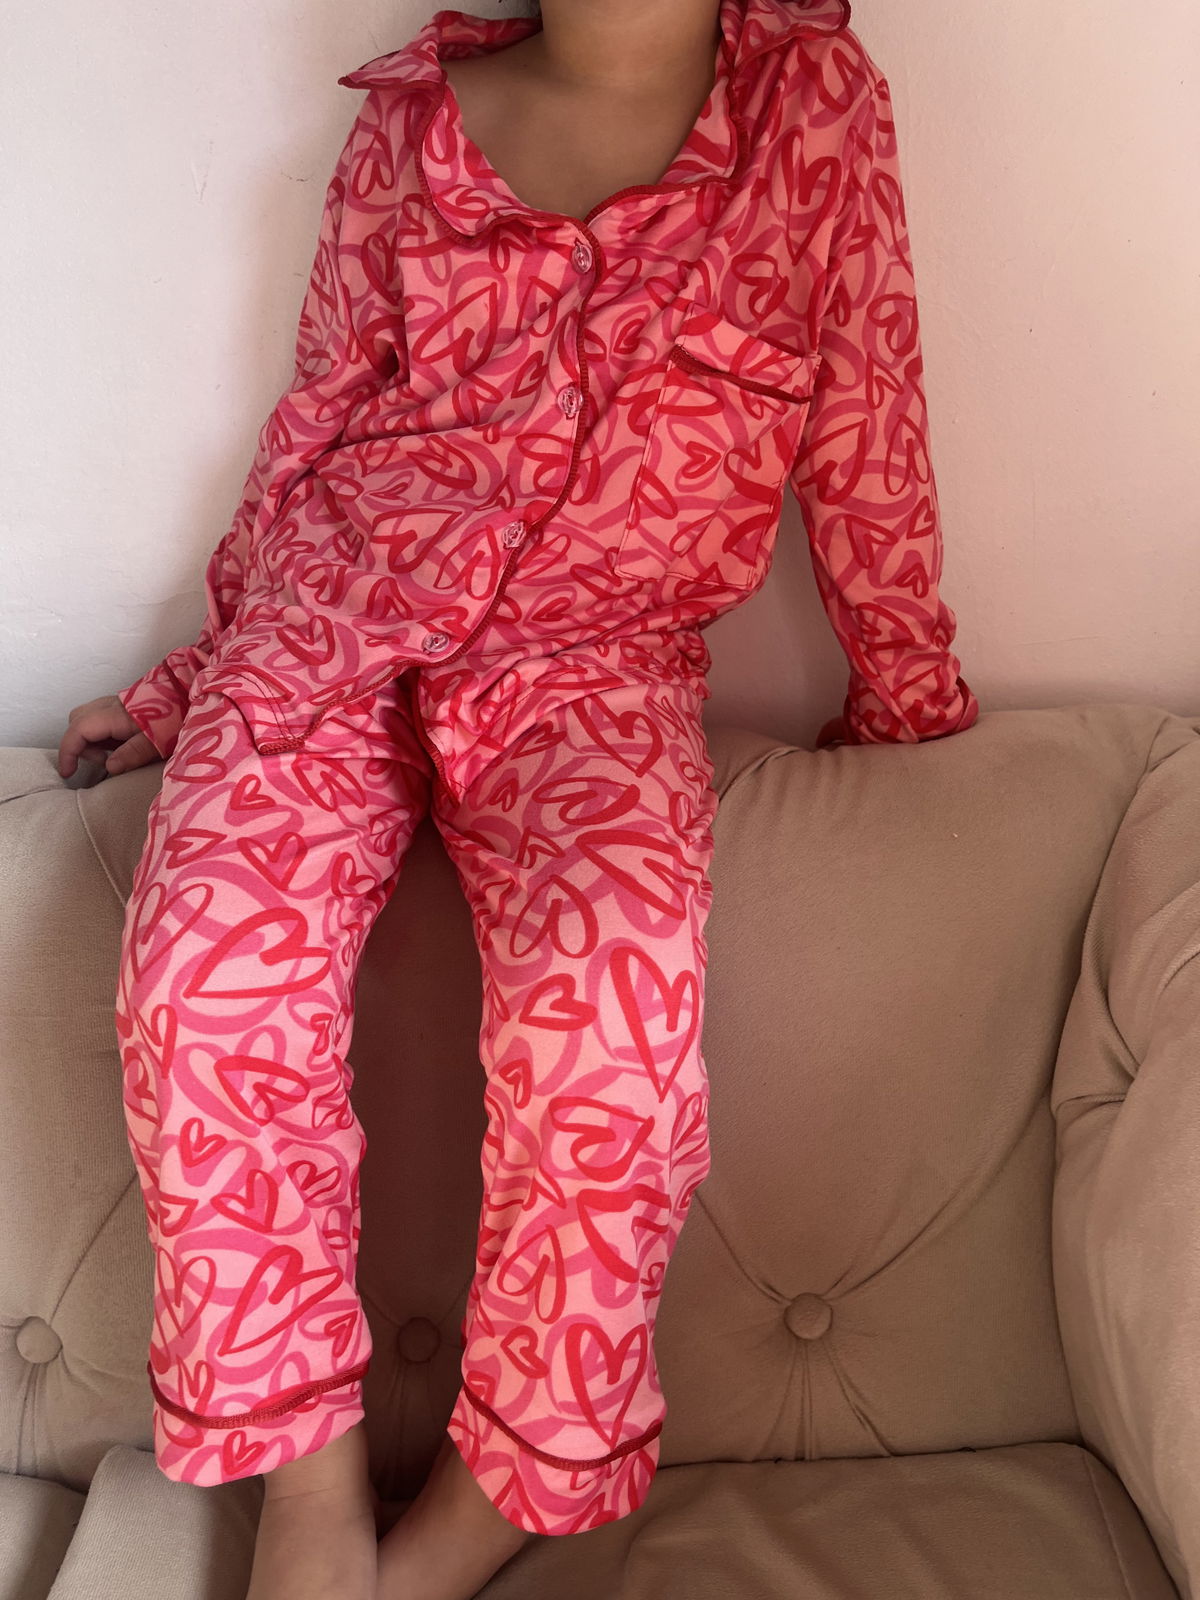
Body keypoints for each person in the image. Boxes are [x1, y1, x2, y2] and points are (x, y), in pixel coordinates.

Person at [57, 0, 979, 1595]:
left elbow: (868, 427)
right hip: (330, 617)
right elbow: (313, 430)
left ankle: (502, 1495)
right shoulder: (412, 121)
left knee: (607, 1015)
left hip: (596, 667)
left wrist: (907, 703)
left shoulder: (813, 112)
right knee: (205, 961)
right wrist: (188, 681)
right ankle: (307, 1492)